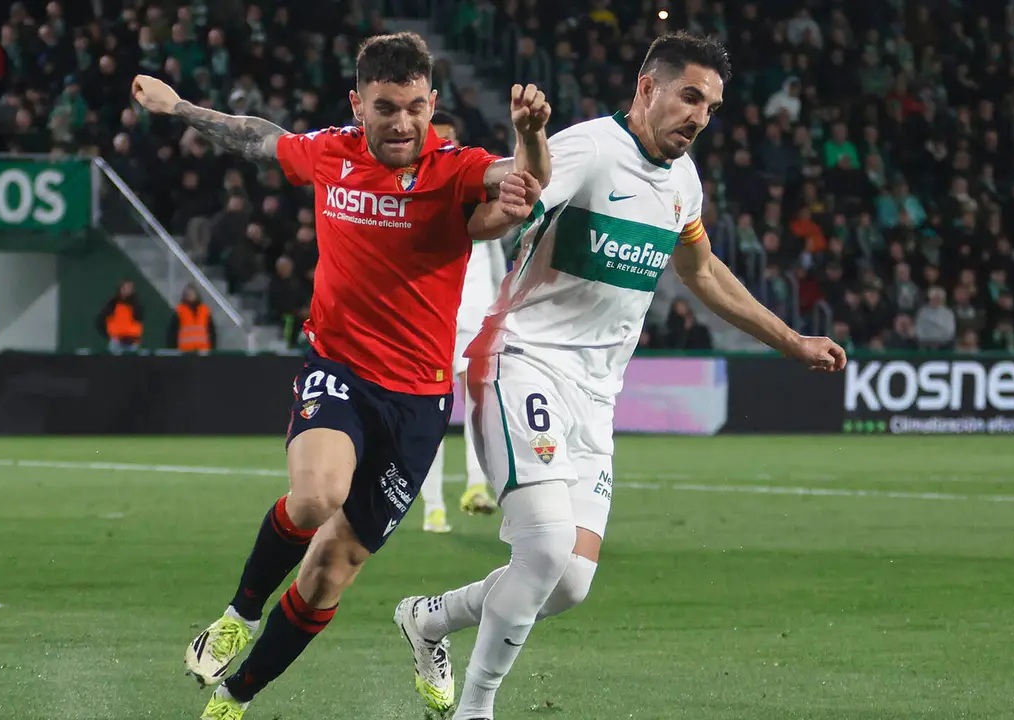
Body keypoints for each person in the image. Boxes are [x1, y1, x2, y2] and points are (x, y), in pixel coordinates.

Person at [395, 32, 847, 720]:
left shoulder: (684, 182)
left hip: (596, 396)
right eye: (689, 96)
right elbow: (508, 209)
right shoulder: (587, 150)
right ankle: (476, 709)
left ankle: (429, 619)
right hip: (522, 360)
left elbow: (700, 271)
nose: (699, 117)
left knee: (568, 583)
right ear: (646, 88)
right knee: (545, 549)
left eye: (711, 107)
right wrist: (513, 171)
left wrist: (790, 341)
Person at [130, 30, 552, 720]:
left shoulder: (455, 167)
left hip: (418, 401)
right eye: (386, 107)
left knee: (332, 570)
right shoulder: (332, 153)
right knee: (316, 495)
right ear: (358, 105)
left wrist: (531, 135)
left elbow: (527, 180)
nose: (403, 123)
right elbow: (258, 137)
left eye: (415, 107)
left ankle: (233, 700)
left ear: (432, 102)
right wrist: (179, 107)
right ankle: (239, 614)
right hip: (341, 370)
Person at [418, 110, 502, 533]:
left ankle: (476, 485)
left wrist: (499, 311)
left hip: (473, 320)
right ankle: (432, 505)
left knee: (478, 409)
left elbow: (496, 260)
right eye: (439, 137)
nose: (446, 144)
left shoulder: (476, 190)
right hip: (432, 322)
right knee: (432, 415)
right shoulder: (416, 196)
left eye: (451, 137)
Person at [96, 280, 144, 352]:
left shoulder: (137, 305)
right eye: (125, 288)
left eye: (130, 288)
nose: (127, 291)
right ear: (120, 289)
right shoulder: (113, 303)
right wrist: (109, 334)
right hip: (116, 341)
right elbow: (101, 319)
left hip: (133, 341)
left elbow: (139, 319)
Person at [168, 284, 216, 352]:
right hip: (185, 352)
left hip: (203, 351)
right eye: (188, 294)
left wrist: (212, 348)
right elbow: (172, 333)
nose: (190, 295)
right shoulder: (179, 311)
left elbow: (212, 332)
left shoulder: (205, 311)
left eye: (192, 293)